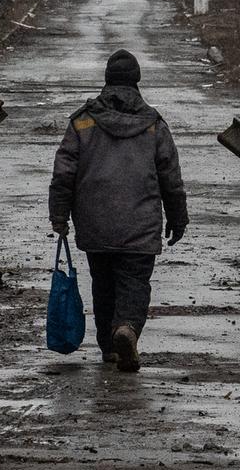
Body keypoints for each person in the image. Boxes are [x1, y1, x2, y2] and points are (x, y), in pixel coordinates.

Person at [48, 49, 187, 372]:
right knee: (135, 282)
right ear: (136, 81)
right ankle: (127, 328)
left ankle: (110, 348)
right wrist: (178, 217)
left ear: (107, 79)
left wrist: (59, 214)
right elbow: (170, 176)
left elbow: (64, 172)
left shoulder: (83, 120)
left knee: (103, 281)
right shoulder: (153, 123)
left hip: (95, 221)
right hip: (140, 221)